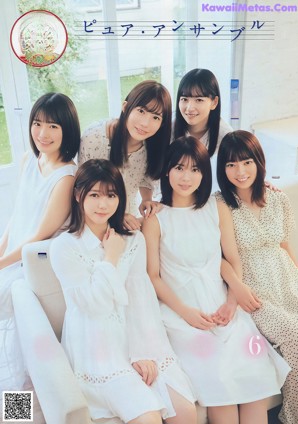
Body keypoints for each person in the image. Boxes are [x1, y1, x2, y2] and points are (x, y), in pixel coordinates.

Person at [142, 136, 290, 424]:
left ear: (205, 174)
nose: (187, 177)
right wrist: (186, 313)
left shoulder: (215, 207)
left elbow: (233, 260)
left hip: (226, 308)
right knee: (219, 378)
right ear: (166, 172)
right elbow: (153, 276)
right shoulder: (156, 218)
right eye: (179, 168)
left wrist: (232, 302)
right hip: (182, 316)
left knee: (254, 374)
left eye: (195, 169)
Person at [50, 159, 196, 424]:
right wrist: (111, 257)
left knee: (186, 412)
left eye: (111, 195)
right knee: (148, 418)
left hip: (136, 339)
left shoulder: (133, 239)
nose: (102, 204)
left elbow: (141, 300)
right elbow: (95, 306)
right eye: (94, 195)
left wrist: (141, 352)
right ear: (78, 194)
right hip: (96, 348)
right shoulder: (64, 247)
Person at [216, 130, 298, 424]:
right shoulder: (221, 205)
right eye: (230, 164)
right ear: (222, 169)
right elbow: (221, 258)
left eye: (247, 162)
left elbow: (285, 245)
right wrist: (237, 288)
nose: (240, 171)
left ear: (259, 161)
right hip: (255, 290)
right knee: (294, 334)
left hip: (287, 281)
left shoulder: (278, 199)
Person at [0, 92, 80, 391]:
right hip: (12, 261)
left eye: (53, 126)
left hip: (32, 268)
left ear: (67, 130)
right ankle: (17, 411)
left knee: (21, 354)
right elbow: (16, 217)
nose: (42, 133)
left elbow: (39, 236)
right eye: (37, 123)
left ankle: (20, 412)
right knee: (14, 351)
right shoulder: (27, 160)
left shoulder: (66, 177)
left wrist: (2, 264)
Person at [78, 80, 172, 230]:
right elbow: (82, 189)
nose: (145, 123)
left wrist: (147, 200)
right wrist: (117, 217)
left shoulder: (153, 146)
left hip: (128, 220)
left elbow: (144, 178)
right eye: (141, 111)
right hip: (92, 220)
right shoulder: (94, 138)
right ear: (125, 107)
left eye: (156, 117)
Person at [173, 69, 232, 191]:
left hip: (205, 191)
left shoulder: (225, 134)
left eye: (199, 100)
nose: (189, 108)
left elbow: (240, 164)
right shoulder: (169, 128)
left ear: (214, 102)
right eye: (184, 99)